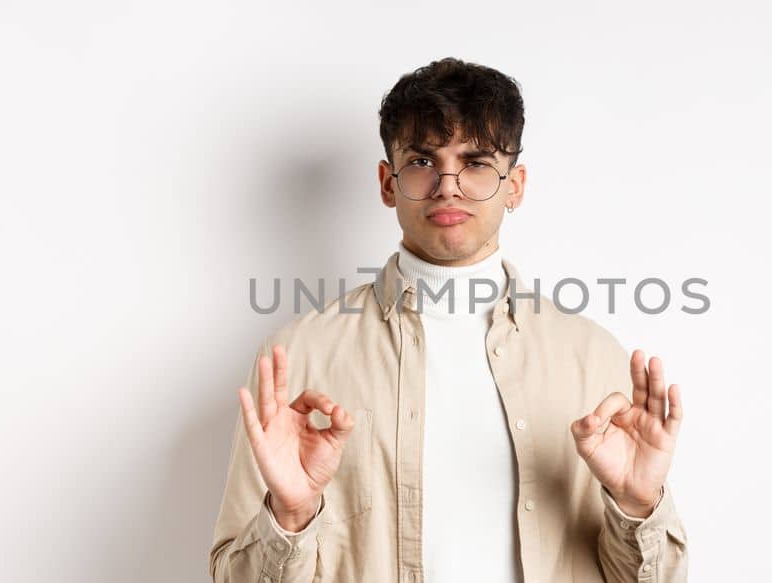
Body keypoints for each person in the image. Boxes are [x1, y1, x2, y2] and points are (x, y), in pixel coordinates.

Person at [209, 57, 689, 582]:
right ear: (387, 182)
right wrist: (292, 516)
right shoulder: (297, 358)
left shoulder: (593, 358)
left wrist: (637, 505)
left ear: (516, 185)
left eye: (477, 161)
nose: (448, 185)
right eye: (421, 160)